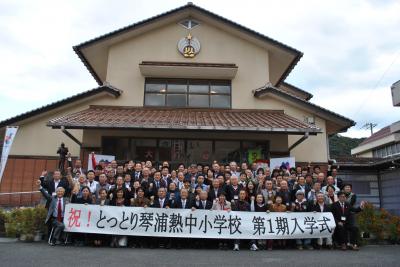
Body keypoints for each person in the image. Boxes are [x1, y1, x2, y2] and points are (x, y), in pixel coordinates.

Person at [36, 179, 69, 246]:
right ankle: (54, 239)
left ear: (64, 192)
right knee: (61, 225)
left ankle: (62, 239)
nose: (60, 193)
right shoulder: (52, 198)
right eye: (58, 191)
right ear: (56, 192)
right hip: (54, 218)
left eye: (61, 191)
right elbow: (45, 194)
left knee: (63, 225)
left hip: (64, 218)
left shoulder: (67, 200)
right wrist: (40, 186)